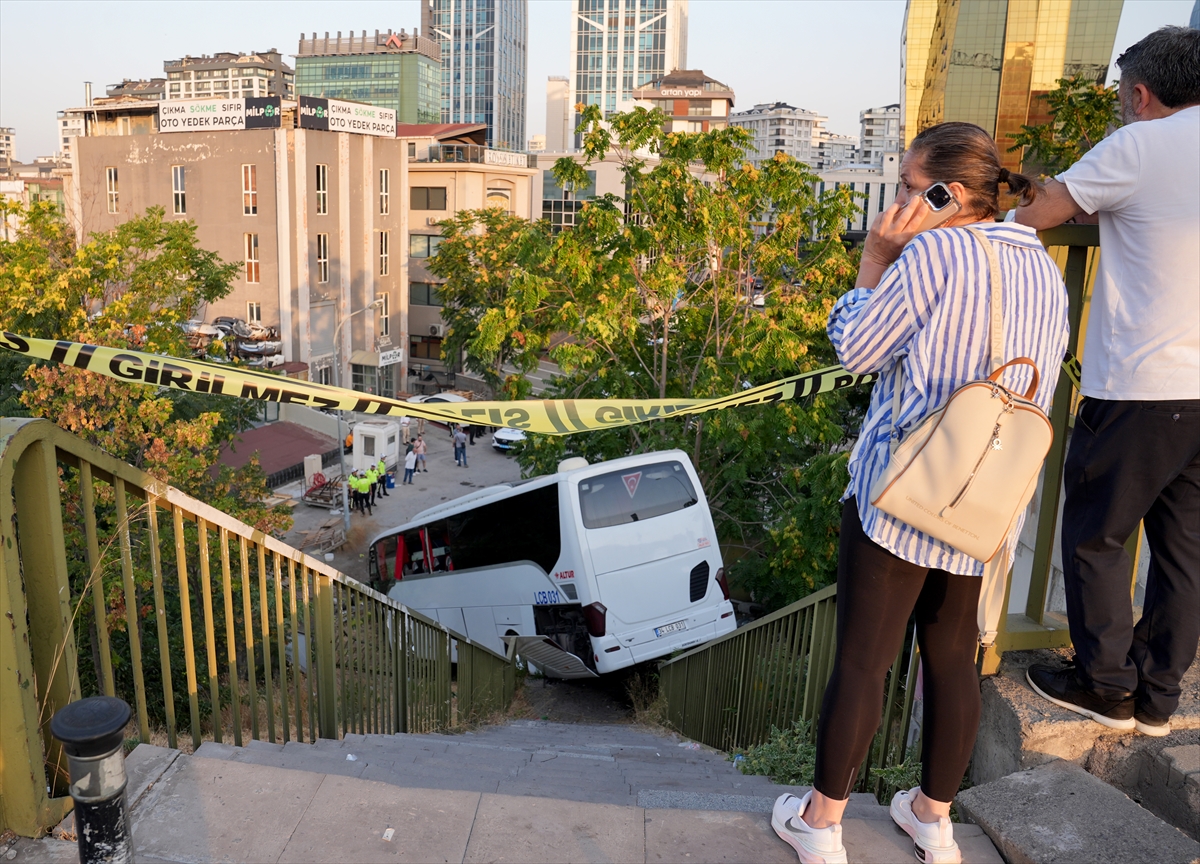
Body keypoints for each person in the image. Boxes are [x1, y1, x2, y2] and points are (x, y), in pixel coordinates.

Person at [771, 122, 1068, 864]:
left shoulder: (931, 252)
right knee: (952, 657)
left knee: (865, 662)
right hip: (986, 500)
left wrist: (874, 259)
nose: (900, 202)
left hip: (904, 490)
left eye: (910, 189)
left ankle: (821, 823)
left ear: (948, 195)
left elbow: (857, 351)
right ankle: (933, 821)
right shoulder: (1043, 265)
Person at [1016, 26, 1200, 738]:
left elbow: (1042, 215)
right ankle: (1158, 697)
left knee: (1098, 535)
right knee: (1184, 550)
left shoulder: (1139, 145)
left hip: (1143, 384)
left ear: (1143, 94)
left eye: (1124, 99)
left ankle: (1106, 687)